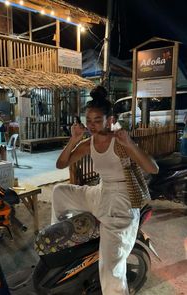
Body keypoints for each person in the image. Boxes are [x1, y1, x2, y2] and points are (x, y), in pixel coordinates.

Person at [51, 85, 159, 295]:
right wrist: (73, 139)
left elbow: (152, 168)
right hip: (101, 192)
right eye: (88, 120)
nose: (91, 125)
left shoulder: (119, 140)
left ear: (110, 119)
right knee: (59, 191)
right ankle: (65, 245)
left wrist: (129, 143)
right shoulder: (88, 142)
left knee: (111, 270)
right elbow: (61, 164)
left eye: (97, 120)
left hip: (121, 203)